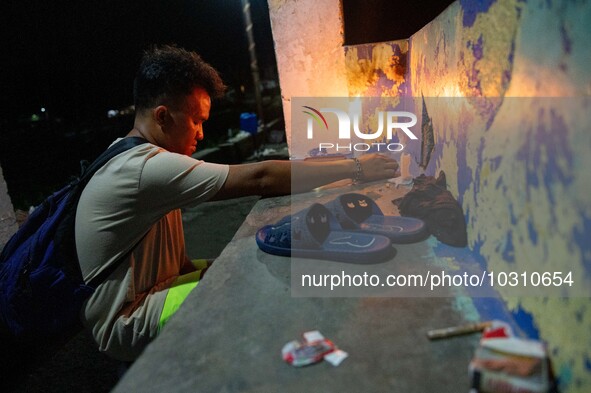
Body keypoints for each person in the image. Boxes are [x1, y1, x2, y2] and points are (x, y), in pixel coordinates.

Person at [75, 44, 398, 361]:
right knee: (260, 283)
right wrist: (357, 168)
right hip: (127, 319)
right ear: (162, 116)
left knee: (255, 256)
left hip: (156, 289)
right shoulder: (145, 167)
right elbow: (259, 178)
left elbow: (173, 264)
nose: (201, 134)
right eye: (196, 121)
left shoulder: (128, 153)